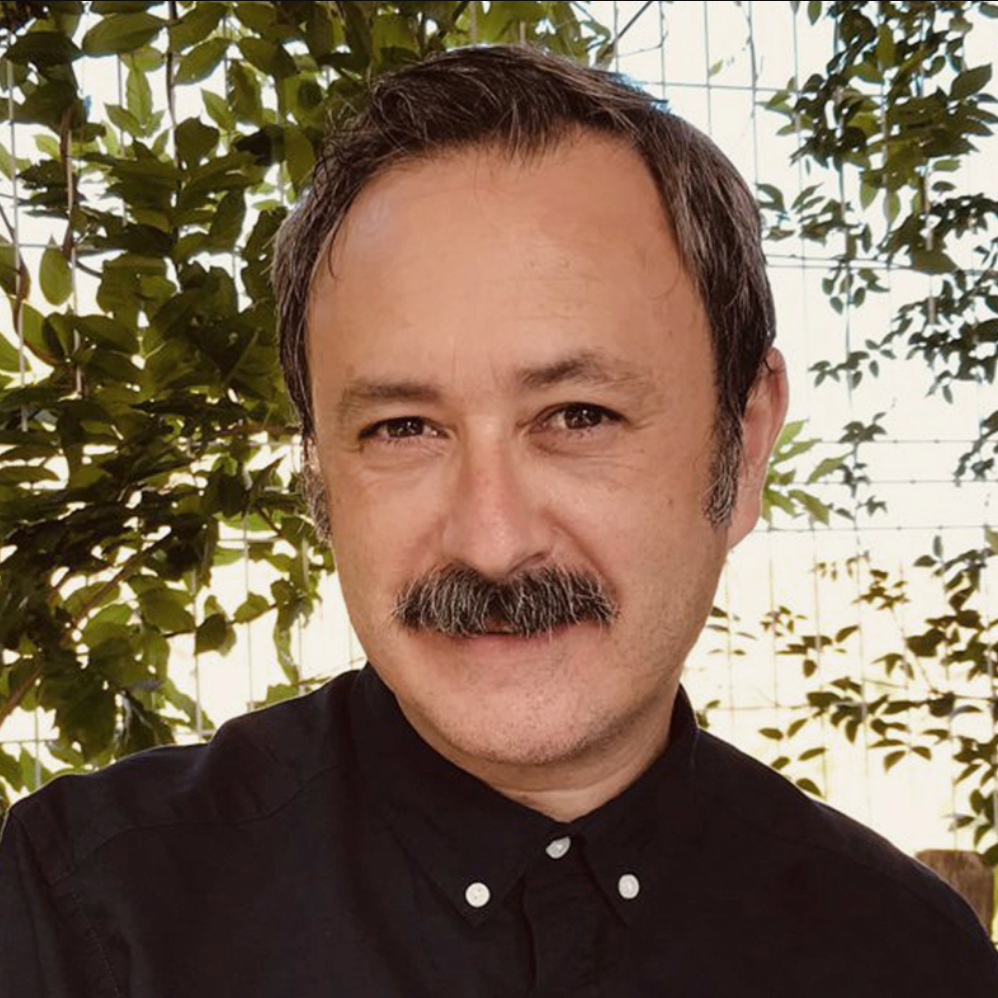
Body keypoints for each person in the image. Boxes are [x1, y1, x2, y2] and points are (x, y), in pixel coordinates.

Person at [1, 43, 996, 997]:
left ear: (742, 444)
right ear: (320, 475)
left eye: (578, 415)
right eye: (401, 427)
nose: (492, 539)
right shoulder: (85, 919)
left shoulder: (906, 957)